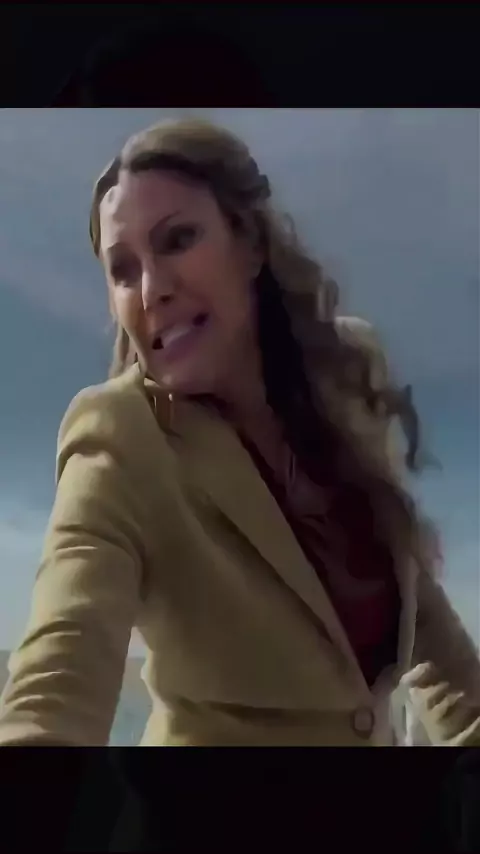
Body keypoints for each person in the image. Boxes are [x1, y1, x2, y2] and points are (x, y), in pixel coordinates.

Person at [0, 117, 479, 748]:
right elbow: (59, 670)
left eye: (178, 240)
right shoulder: (119, 436)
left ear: (250, 243)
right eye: (122, 270)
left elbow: (425, 623)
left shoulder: (345, 376)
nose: (152, 289)